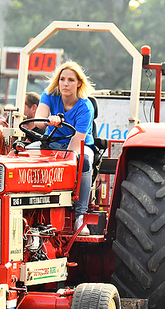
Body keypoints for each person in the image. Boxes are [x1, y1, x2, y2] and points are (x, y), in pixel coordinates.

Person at [34, 61, 95, 235]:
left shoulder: (85, 107)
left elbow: (75, 146)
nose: (65, 84)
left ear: (79, 83)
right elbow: (38, 121)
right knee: (22, 153)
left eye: (70, 80)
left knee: (83, 161)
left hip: (79, 144)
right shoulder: (49, 95)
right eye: (62, 79)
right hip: (51, 142)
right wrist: (49, 120)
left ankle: (80, 215)